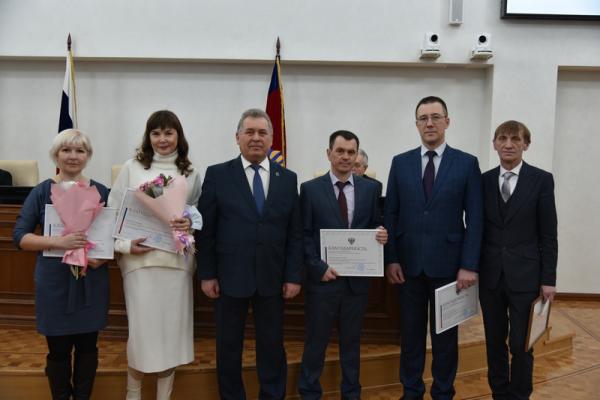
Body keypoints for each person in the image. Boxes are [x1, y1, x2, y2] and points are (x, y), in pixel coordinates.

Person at [196, 108, 303, 399]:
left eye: (262, 132)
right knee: (228, 346)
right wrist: (207, 274)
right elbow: (206, 230)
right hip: (229, 278)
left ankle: (273, 395)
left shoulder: (287, 178)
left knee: (272, 345)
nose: (256, 138)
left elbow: (294, 232)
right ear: (237, 137)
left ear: (271, 138)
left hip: (273, 277)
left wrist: (293, 276)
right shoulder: (218, 174)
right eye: (250, 132)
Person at [384, 96, 483, 400]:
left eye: (435, 117)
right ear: (416, 124)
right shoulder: (400, 163)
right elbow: (391, 214)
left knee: (445, 339)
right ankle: (411, 391)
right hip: (408, 267)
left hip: (450, 268)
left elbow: (476, 218)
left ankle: (443, 392)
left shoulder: (467, 163)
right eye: (423, 118)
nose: (429, 123)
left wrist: (469, 265)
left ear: (447, 122)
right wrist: (392, 259)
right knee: (411, 336)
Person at [108, 110, 201, 400]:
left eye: (168, 133)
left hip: (176, 264)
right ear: (148, 137)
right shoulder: (132, 167)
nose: (162, 139)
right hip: (141, 264)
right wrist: (125, 246)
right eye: (156, 133)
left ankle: (164, 397)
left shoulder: (191, 172)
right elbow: (113, 212)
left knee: (172, 335)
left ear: (178, 136)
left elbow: (196, 214)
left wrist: (189, 222)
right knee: (142, 335)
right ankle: (132, 394)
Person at [13, 129, 109, 400]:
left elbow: (112, 237)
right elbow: (20, 237)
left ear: (88, 156)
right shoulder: (42, 191)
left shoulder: (101, 191)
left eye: (80, 150)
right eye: (66, 150)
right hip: (54, 282)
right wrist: (58, 242)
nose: (73, 156)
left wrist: (104, 256)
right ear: (55, 155)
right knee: (58, 350)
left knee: (88, 348)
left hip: (91, 279)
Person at [298, 130, 388, 400]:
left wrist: (381, 233)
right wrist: (318, 267)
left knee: (352, 343)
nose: (346, 157)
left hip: (356, 283)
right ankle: (309, 393)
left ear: (357, 155)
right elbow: (303, 235)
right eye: (340, 151)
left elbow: (375, 224)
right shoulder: (310, 189)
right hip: (322, 281)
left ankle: (351, 393)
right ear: (329, 154)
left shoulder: (371, 189)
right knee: (316, 343)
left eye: (351, 152)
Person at [479, 120, 558, 400]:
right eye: (502, 138)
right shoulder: (483, 181)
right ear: (495, 144)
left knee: (521, 344)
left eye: (515, 139)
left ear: (526, 144)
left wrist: (548, 279)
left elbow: (548, 234)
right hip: (490, 276)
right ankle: (499, 393)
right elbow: (476, 228)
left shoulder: (541, 179)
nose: (509, 144)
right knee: (494, 342)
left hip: (526, 277)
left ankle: (520, 395)